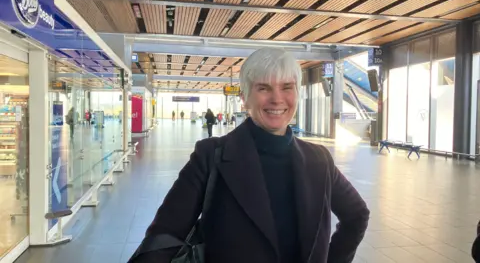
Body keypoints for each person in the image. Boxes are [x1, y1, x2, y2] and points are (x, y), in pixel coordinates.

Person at [134, 48, 369, 263]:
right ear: (245, 97)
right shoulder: (210, 156)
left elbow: (357, 215)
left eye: (286, 87)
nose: (277, 98)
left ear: (297, 93)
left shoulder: (319, 160)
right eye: (263, 87)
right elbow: (163, 237)